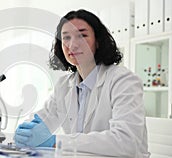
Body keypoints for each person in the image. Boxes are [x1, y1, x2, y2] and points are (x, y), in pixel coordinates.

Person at [14, 9, 150, 157]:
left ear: (98, 41)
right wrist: (26, 131)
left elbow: (126, 142)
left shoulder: (122, 80)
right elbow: (43, 119)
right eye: (66, 37)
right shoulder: (64, 86)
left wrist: (55, 141)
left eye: (82, 35)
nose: (72, 45)